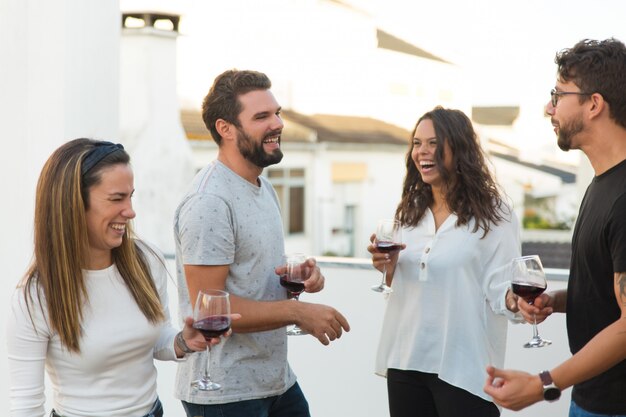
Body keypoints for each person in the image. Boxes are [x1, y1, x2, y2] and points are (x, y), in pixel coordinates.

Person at [173, 69, 350, 417]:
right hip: (226, 393)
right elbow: (209, 307)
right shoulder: (210, 202)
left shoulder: (263, 186)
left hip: (276, 381)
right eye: (261, 116)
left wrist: (304, 277)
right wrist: (299, 312)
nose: (278, 123)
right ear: (225, 128)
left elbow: (252, 270)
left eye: (277, 112)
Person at [6, 138, 222, 417]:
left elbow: (154, 338)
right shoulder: (35, 297)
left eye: (131, 196)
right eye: (117, 198)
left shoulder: (147, 260)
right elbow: (26, 405)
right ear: (73, 204)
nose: (130, 211)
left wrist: (182, 342)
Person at [484, 38, 626, 416]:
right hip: (592, 399)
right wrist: (558, 301)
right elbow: (608, 293)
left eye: (558, 94)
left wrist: (542, 384)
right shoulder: (601, 183)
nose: (549, 107)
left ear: (594, 104)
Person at [368, 106, 522, 417]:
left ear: (460, 148)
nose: (422, 151)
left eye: (434, 143)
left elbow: (502, 288)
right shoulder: (408, 212)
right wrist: (387, 267)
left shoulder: (495, 214)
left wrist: (517, 300)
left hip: (464, 366)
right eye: (416, 143)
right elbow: (402, 284)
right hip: (406, 360)